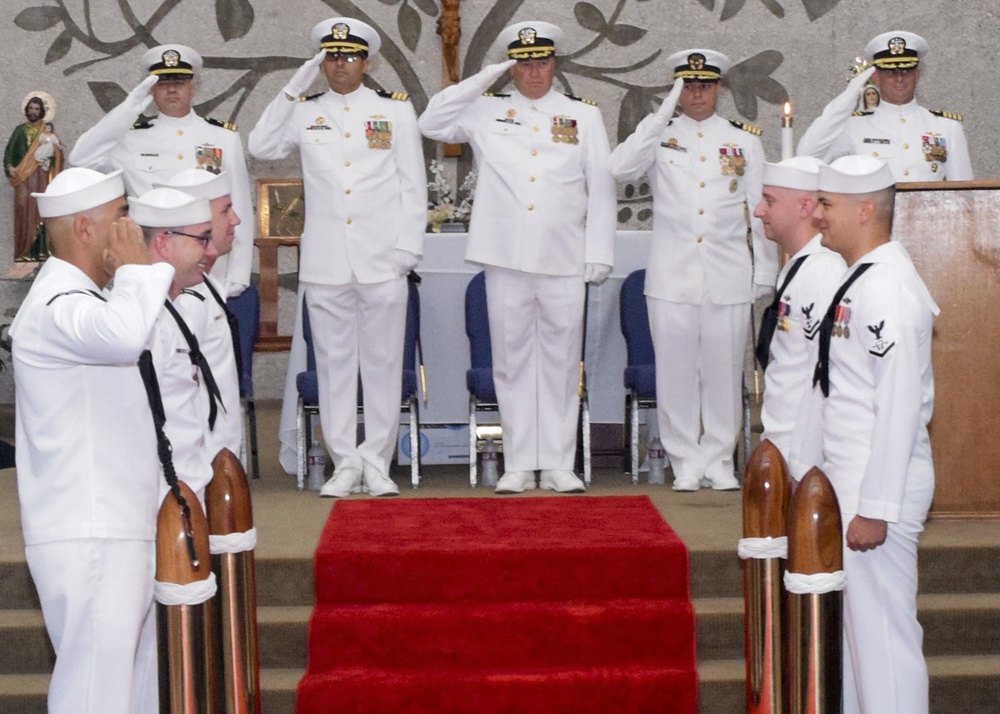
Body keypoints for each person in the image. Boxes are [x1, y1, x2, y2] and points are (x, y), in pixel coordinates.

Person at [418, 20, 616, 494]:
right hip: (504, 256)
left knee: (563, 363)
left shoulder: (582, 116)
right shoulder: (485, 110)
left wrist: (600, 251)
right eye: (524, 64)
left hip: (564, 256)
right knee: (510, 363)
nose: (534, 73)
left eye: (542, 62)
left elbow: (601, 187)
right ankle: (520, 461)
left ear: (554, 64)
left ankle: (558, 463)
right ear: (512, 67)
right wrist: (486, 75)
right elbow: (431, 122)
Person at [11, 167, 174, 712]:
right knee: (94, 695)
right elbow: (125, 338)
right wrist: (138, 270)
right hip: (91, 530)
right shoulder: (59, 305)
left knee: (126, 692)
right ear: (85, 230)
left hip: (113, 523)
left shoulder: (86, 298)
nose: (132, 231)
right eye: (121, 218)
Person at [249, 18, 425, 498]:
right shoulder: (306, 111)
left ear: (367, 62)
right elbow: (260, 145)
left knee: (385, 363)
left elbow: (413, 185)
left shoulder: (394, 111)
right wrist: (294, 84)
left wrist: (406, 250)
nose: (339, 65)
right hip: (327, 261)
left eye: (348, 56)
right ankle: (345, 460)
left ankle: (378, 460)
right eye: (329, 57)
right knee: (333, 364)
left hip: (383, 259)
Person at [790, 155, 938, 713]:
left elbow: (899, 405)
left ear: (865, 210)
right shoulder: (863, 278)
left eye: (827, 204)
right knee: (858, 645)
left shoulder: (888, 287)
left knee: (884, 643)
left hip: (879, 488)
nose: (818, 215)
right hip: (851, 479)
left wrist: (875, 505)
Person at [609, 49, 776, 492]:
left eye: (705, 85)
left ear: (719, 88)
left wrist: (766, 271)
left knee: (723, 371)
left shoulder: (744, 140)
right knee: (676, 372)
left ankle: (720, 458)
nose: (697, 94)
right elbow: (620, 169)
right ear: (677, 90)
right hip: (672, 275)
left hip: (728, 272)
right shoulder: (659, 135)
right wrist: (659, 116)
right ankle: (684, 459)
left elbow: (761, 210)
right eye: (688, 86)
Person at [69, 44, 254, 295]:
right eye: (162, 83)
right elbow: (80, 158)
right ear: (151, 90)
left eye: (179, 82)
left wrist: (239, 271)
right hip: (149, 261)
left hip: (209, 264)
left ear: (193, 87)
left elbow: (239, 204)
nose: (171, 89)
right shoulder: (130, 139)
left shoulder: (222, 137)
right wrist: (127, 110)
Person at [751, 156, 845, 459]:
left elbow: (823, 378)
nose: (758, 210)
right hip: (786, 443)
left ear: (804, 207)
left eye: (769, 201)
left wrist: (805, 464)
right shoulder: (799, 267)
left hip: (803, 451)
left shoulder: (822, 272)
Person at [130, 187, 220, 504]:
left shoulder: (175, 306)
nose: (211, 251)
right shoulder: (146, 319)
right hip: (164, 501)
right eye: (202, 239)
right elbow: (142, 423)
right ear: (163, 243)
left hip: (186, 490)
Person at [797, 31, 972, 182]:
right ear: (876, 78)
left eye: (906, 70)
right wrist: (847, 98)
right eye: (890, 72)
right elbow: (807, 155)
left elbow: (964, 191)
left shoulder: (947, 127)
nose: (899, 78)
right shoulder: (854, 127)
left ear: (917, 75)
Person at [167, 170, 244, 465]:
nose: (236, 219)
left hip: (217, 453)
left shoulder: (206, 282)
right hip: (197, 460)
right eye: (225, 210)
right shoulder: (183, 294)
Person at [5, 92, 63, 260]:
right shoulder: (20, 130)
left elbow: (58, 154)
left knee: (41, 209)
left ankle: (42, 250)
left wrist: (53, 156)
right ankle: (24, 250)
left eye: (36, 109)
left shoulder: (47, 131)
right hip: (23, 177)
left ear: (42, 111)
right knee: (23, 208)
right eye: (31, 108)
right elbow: (10, 152)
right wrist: (10, 166)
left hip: (42, 176)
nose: (33, 111)